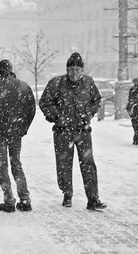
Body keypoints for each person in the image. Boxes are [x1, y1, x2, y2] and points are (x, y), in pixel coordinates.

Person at [39, 52, 107, 210]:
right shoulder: (56, 83)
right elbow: (45, 102)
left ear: (82, 70)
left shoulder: (88, 83)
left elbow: (96, 100)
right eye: (71, 69)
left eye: (77, 69)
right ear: (67, 69)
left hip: (82, 131)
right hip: (63, 132)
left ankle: (93, 198)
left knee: (88, 164)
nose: (74, 73)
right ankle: (67, 194)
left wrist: (89, 113)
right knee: (64, 164)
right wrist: (57, 116)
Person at [0, 59, 36, 213]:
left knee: (2, 166)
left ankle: (9, 199)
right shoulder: (23, 86)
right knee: (16, 164)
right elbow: (31, 109)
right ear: (11, 70)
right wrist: (23, 127)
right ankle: (25, 199)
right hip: (16, 132)